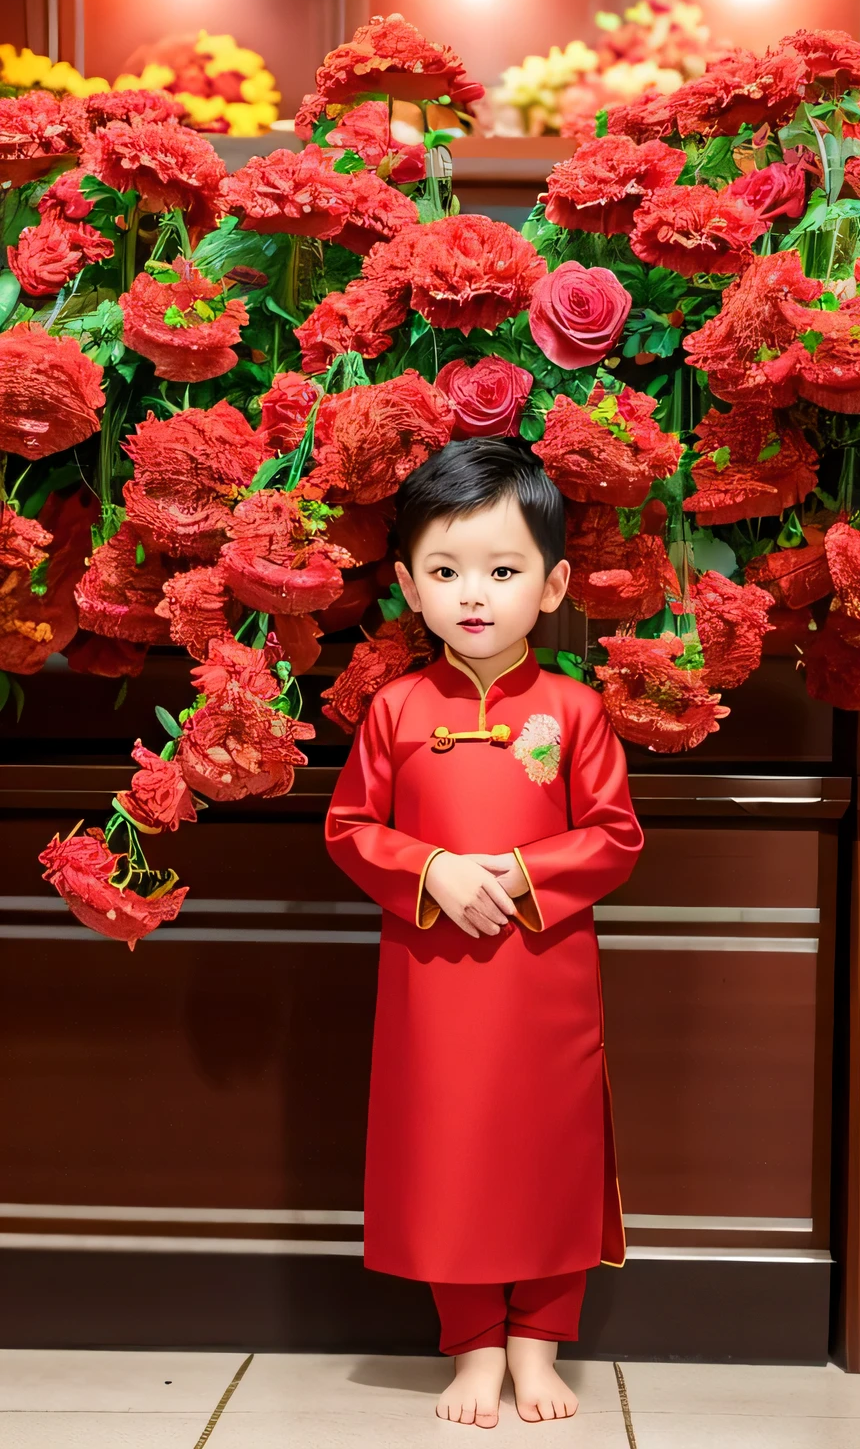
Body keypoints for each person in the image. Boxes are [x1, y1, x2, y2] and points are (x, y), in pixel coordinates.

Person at [324, 437, 645, 1428]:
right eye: (447, 571)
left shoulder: (575, 710)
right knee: (448, 1151)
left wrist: (514, 872)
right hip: (433, 977)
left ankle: (538, 1348)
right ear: (407, 587)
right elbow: (346, 829)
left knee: (549, 1152)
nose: (474, 594)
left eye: (502, 572)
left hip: (545, 978)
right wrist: (431, 870)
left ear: (550, 588)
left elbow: (616, 837)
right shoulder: (395, 710)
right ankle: (468, 1350)